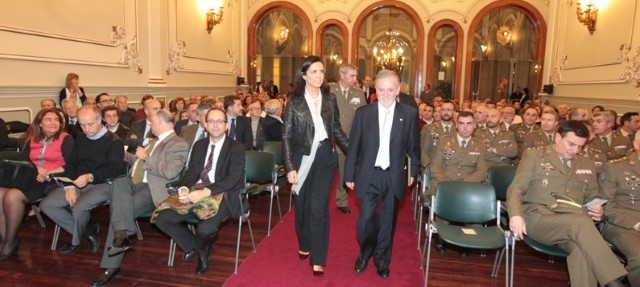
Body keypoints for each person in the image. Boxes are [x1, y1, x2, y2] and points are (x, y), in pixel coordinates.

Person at [507, 120, 628, 287]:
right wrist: (515, 215)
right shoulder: (535, 155)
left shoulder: (587, 164)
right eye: (571, 144)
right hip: (539, 219)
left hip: (574, 224)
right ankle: (614, 282)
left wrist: (598, 209)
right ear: (558, 137)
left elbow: (592, 196)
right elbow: (516, 188)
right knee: (580, 221)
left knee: (582, 252)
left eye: (580, 146)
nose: (575, 150)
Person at [90, 109, 188, 287]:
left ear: (160, 122)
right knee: (119, 183)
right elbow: (136, 161)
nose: (149, 124)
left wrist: (147, 157)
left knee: (119, 214)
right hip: (133, 183)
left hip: (152, 189)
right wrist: (118, 151)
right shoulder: (154, 142)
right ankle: (121, 237)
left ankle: (111, 266)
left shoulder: (177, 143)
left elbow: (170, 172)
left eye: (151, 121)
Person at [344, 69, 420, 279]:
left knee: (388, 221)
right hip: (368, 174)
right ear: (375, 90)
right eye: (381, 89)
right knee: (367, 218)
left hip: (394, 176)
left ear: (397, 90)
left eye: (390, 89)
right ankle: (364, 253)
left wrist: (413, 171)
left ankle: (382, 260)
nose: (385, 94)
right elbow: (354, 147)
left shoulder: (409, 113)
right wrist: (349, 174)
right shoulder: (363, 113)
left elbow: (414, 148)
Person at [155, 108, 245, 275]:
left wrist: (205, 191)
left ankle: (200, 248)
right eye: (211, 121)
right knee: (162, 219)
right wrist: (184, 187)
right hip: (195, 191)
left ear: (226, 125)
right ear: (205, 124)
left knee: (205, 229)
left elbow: (232, 178)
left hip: (222, 194)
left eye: (220, 121)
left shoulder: (236, 147)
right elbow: (191, 173)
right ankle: (201, 249)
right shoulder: (199, 145)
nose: (215, 125)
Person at [282, 55, 349, 277]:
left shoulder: (330, 99)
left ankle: (318, 258)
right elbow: (287, 136)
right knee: (303, 207)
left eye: (321, 71)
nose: (319, 76)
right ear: (304, 75)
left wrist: (353, 151)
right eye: (313, 72)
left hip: (325, 158)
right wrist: (290, 166)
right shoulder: (294, 102)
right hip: (301, 159)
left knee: (319, 208)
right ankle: (304, 241)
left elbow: (336, 129)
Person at [41, 106, 124, 256]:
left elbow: (115, 169)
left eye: (90, 124)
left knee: (79, 208)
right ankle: (88, 232)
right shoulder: (80, 138)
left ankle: (75, 240)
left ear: (100, 120)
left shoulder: (114, 141)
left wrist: (90, 176)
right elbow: (71, 164)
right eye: (82, 125)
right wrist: (69, 186)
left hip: (102, 183)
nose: (86, 129)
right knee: (47, 205)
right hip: (77, 182)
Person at [0, 109, 73, 261]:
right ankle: (4, 237)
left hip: (51, 179)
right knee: (0, 193)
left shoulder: (66, 139)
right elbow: (24, 162)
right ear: (40, 123)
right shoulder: (32, 140)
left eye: (56, 120)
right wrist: (35, 168)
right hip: (30, 176)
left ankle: (10, 241)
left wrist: (47, 171)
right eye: (48, 119)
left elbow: (70, 166)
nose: (53, 123)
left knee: (12, 196)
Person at [600, 132, 640, 286]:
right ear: (636, 145)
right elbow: (607, 206)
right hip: (622, 224)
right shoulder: (615, 168)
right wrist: (636, 224)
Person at [329, 63, 366, 214]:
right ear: (342, 75)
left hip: (348, 142)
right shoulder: (329, 91)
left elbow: (363, 118)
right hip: (330, 141)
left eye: (355, 75)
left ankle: (342, 201)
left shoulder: (359, 94)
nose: (355, 79)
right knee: (326, 175)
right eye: (352, 75)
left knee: (345, 174)